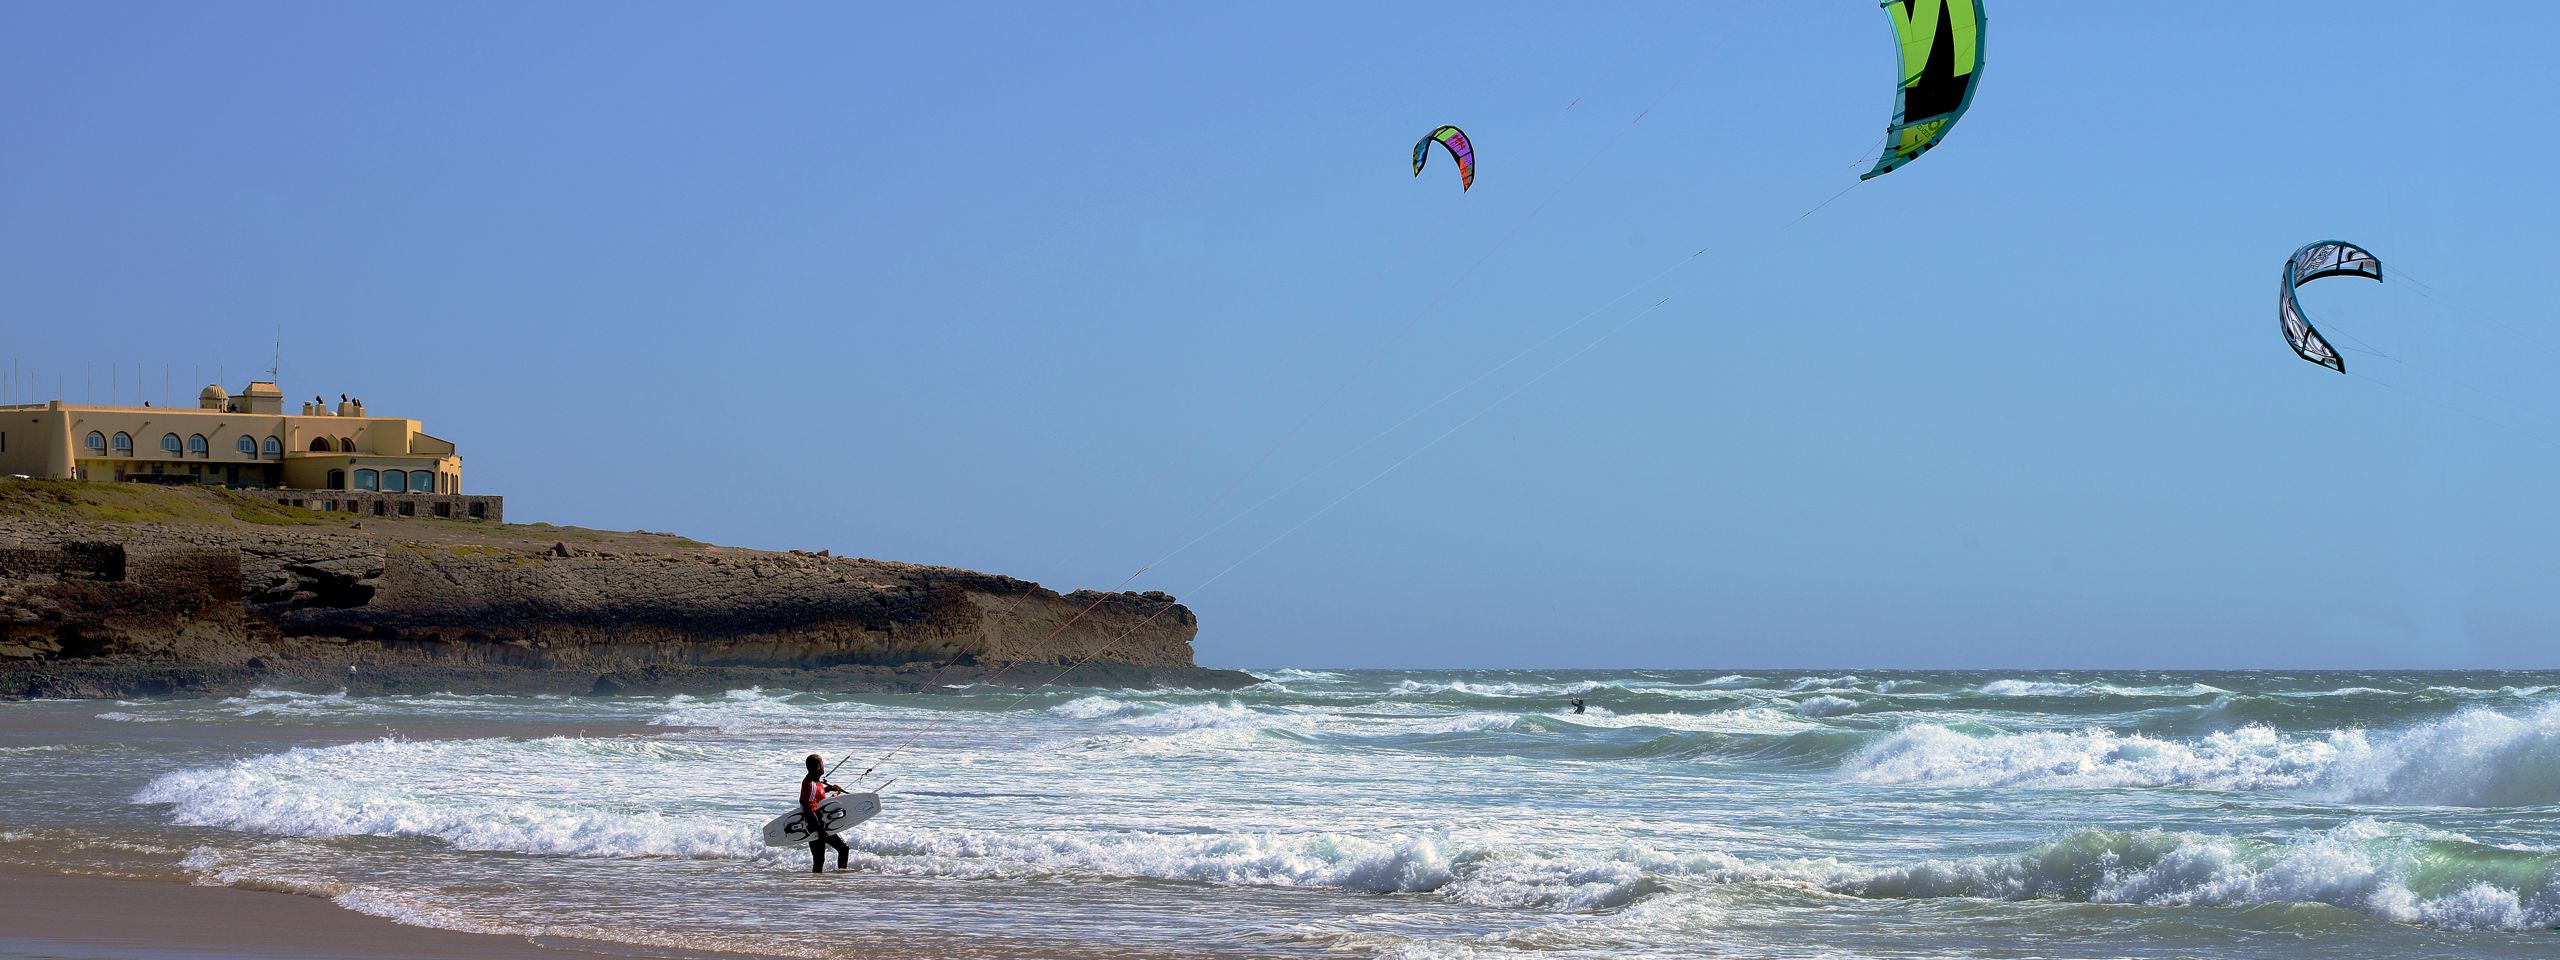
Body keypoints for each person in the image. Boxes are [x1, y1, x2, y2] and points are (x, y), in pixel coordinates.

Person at [800, 754, 850, 874]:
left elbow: (817, 796)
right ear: (818, 767)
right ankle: (841, 876)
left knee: (819, 860)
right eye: (822, 764)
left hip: (818, 824)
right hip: (816, 825)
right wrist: (819, 830)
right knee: (843, 849)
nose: (823, 767)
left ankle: (816, 884)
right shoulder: (811, 785)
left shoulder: (814, 782)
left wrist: (830, 789)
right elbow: (808, 807)